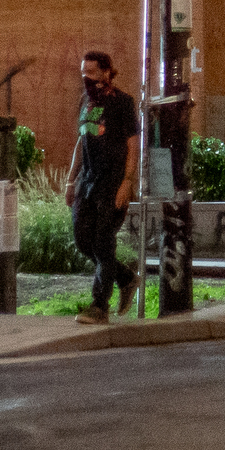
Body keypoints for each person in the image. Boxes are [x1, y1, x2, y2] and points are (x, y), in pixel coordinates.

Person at [67, 49, 139, 321]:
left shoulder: (122, 103)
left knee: (102, 242)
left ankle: (99, 307)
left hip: (112, 182)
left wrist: (127, 183)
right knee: (83, 240)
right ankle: (126, 278)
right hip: (88, 182)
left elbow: (132, 145)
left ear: (107, 72)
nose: (87, 78)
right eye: (83, 73)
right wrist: (70, 181)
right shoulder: (85, 102)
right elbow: (81, 141)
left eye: (92, 73)